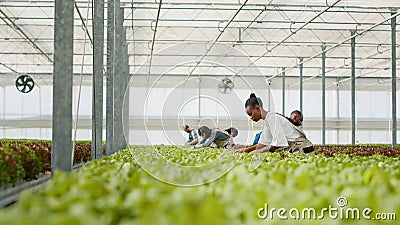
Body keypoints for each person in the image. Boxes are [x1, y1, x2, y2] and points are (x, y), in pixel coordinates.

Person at [236, 93, 313, 154]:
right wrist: (245, 150)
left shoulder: (272, 118)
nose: (251, 118)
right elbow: (262, 144)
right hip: (296, 148)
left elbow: (278, 144)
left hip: (303, 148)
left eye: (250, 114)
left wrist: (258, 151)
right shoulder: (267, 120)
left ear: (257, 108)